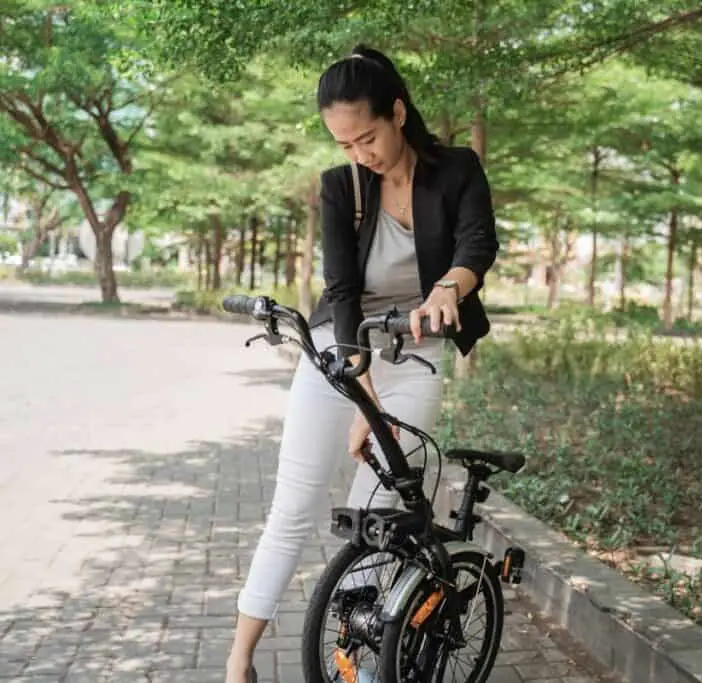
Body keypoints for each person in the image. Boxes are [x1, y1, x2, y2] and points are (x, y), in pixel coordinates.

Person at [224, 44, 499, 683]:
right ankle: (238, 661)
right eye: (345, 143)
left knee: (377, 517)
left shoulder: (456, 169)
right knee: (292, 507)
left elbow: (476, 243)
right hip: (342, 350)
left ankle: (356, 663)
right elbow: (341, 289)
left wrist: (446, 290)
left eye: (367, 137)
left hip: (416, 354)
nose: (359, 154)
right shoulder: (340, 185)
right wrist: (361, 395)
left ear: (398, 112)